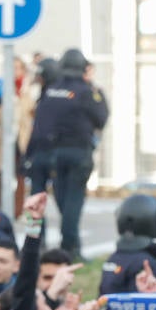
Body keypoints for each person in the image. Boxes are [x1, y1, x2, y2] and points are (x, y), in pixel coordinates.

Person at [23, 48, 108, 260]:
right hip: (75, 153)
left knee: (46, 202)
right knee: (71, 202)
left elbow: (38, 126)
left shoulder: (51, 91)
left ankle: (37, 243)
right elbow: (102, 118)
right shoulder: (86, 90)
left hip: (48, 155)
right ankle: (69, 247)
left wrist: (25, 157)